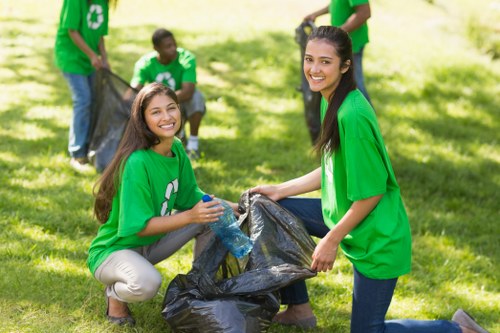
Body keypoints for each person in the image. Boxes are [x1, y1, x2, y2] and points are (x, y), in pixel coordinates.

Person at [251, 26, 488, 333]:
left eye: (325, 62)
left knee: (368, 332)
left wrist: (330, 240)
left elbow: (371, 194)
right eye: (309, 59)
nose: (314, 69)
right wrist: (280, 190)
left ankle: (457, 329)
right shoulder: (331, 98)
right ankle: (299, 308)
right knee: (271, 209)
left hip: (377, 236)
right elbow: (334, 168)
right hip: (344, 217)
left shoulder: (353, 115)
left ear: (345, 65)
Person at [87, 83, 237, 326]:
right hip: (116, 251)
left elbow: (192, 196)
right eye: (156, 112)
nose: (166, 117)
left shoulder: (176, 148)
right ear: (143, 120)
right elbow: (140, 228)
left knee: (213, 215)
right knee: (146, 284)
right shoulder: (137, 162)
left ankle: (199, 289)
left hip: (151, 245)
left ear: (180, 110)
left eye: (171, 108)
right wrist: (190, 217)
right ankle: (114, 297)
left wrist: (236, 204)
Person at [54, 0, 116, 172]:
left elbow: (99, 35)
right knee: (83, 100)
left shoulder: (103, 2)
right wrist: (91, 55)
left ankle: (90, 146)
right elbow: (72, 31)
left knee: (95, 100)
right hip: (71, 58)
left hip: (90, 61)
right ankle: (77, 153)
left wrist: (104, 57)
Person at [130, 28, 206, 160]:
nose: (173, 49)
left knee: (197, 97)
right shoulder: (145, 63)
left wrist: (164, 102)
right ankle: (177, 139)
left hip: (182, 103)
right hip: (163, 109)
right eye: (168, 46)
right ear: (156, 48)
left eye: (174, 44)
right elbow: (134, 90)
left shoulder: (185, 59)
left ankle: (193, 145)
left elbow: (188, 92)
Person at [304, 0, 372, 104]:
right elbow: (337, 3)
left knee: (355, 85)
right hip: (338, 43)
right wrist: (316, 14)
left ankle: (365, 116)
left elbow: (364, 12)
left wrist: (337, 34)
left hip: (350, 44)